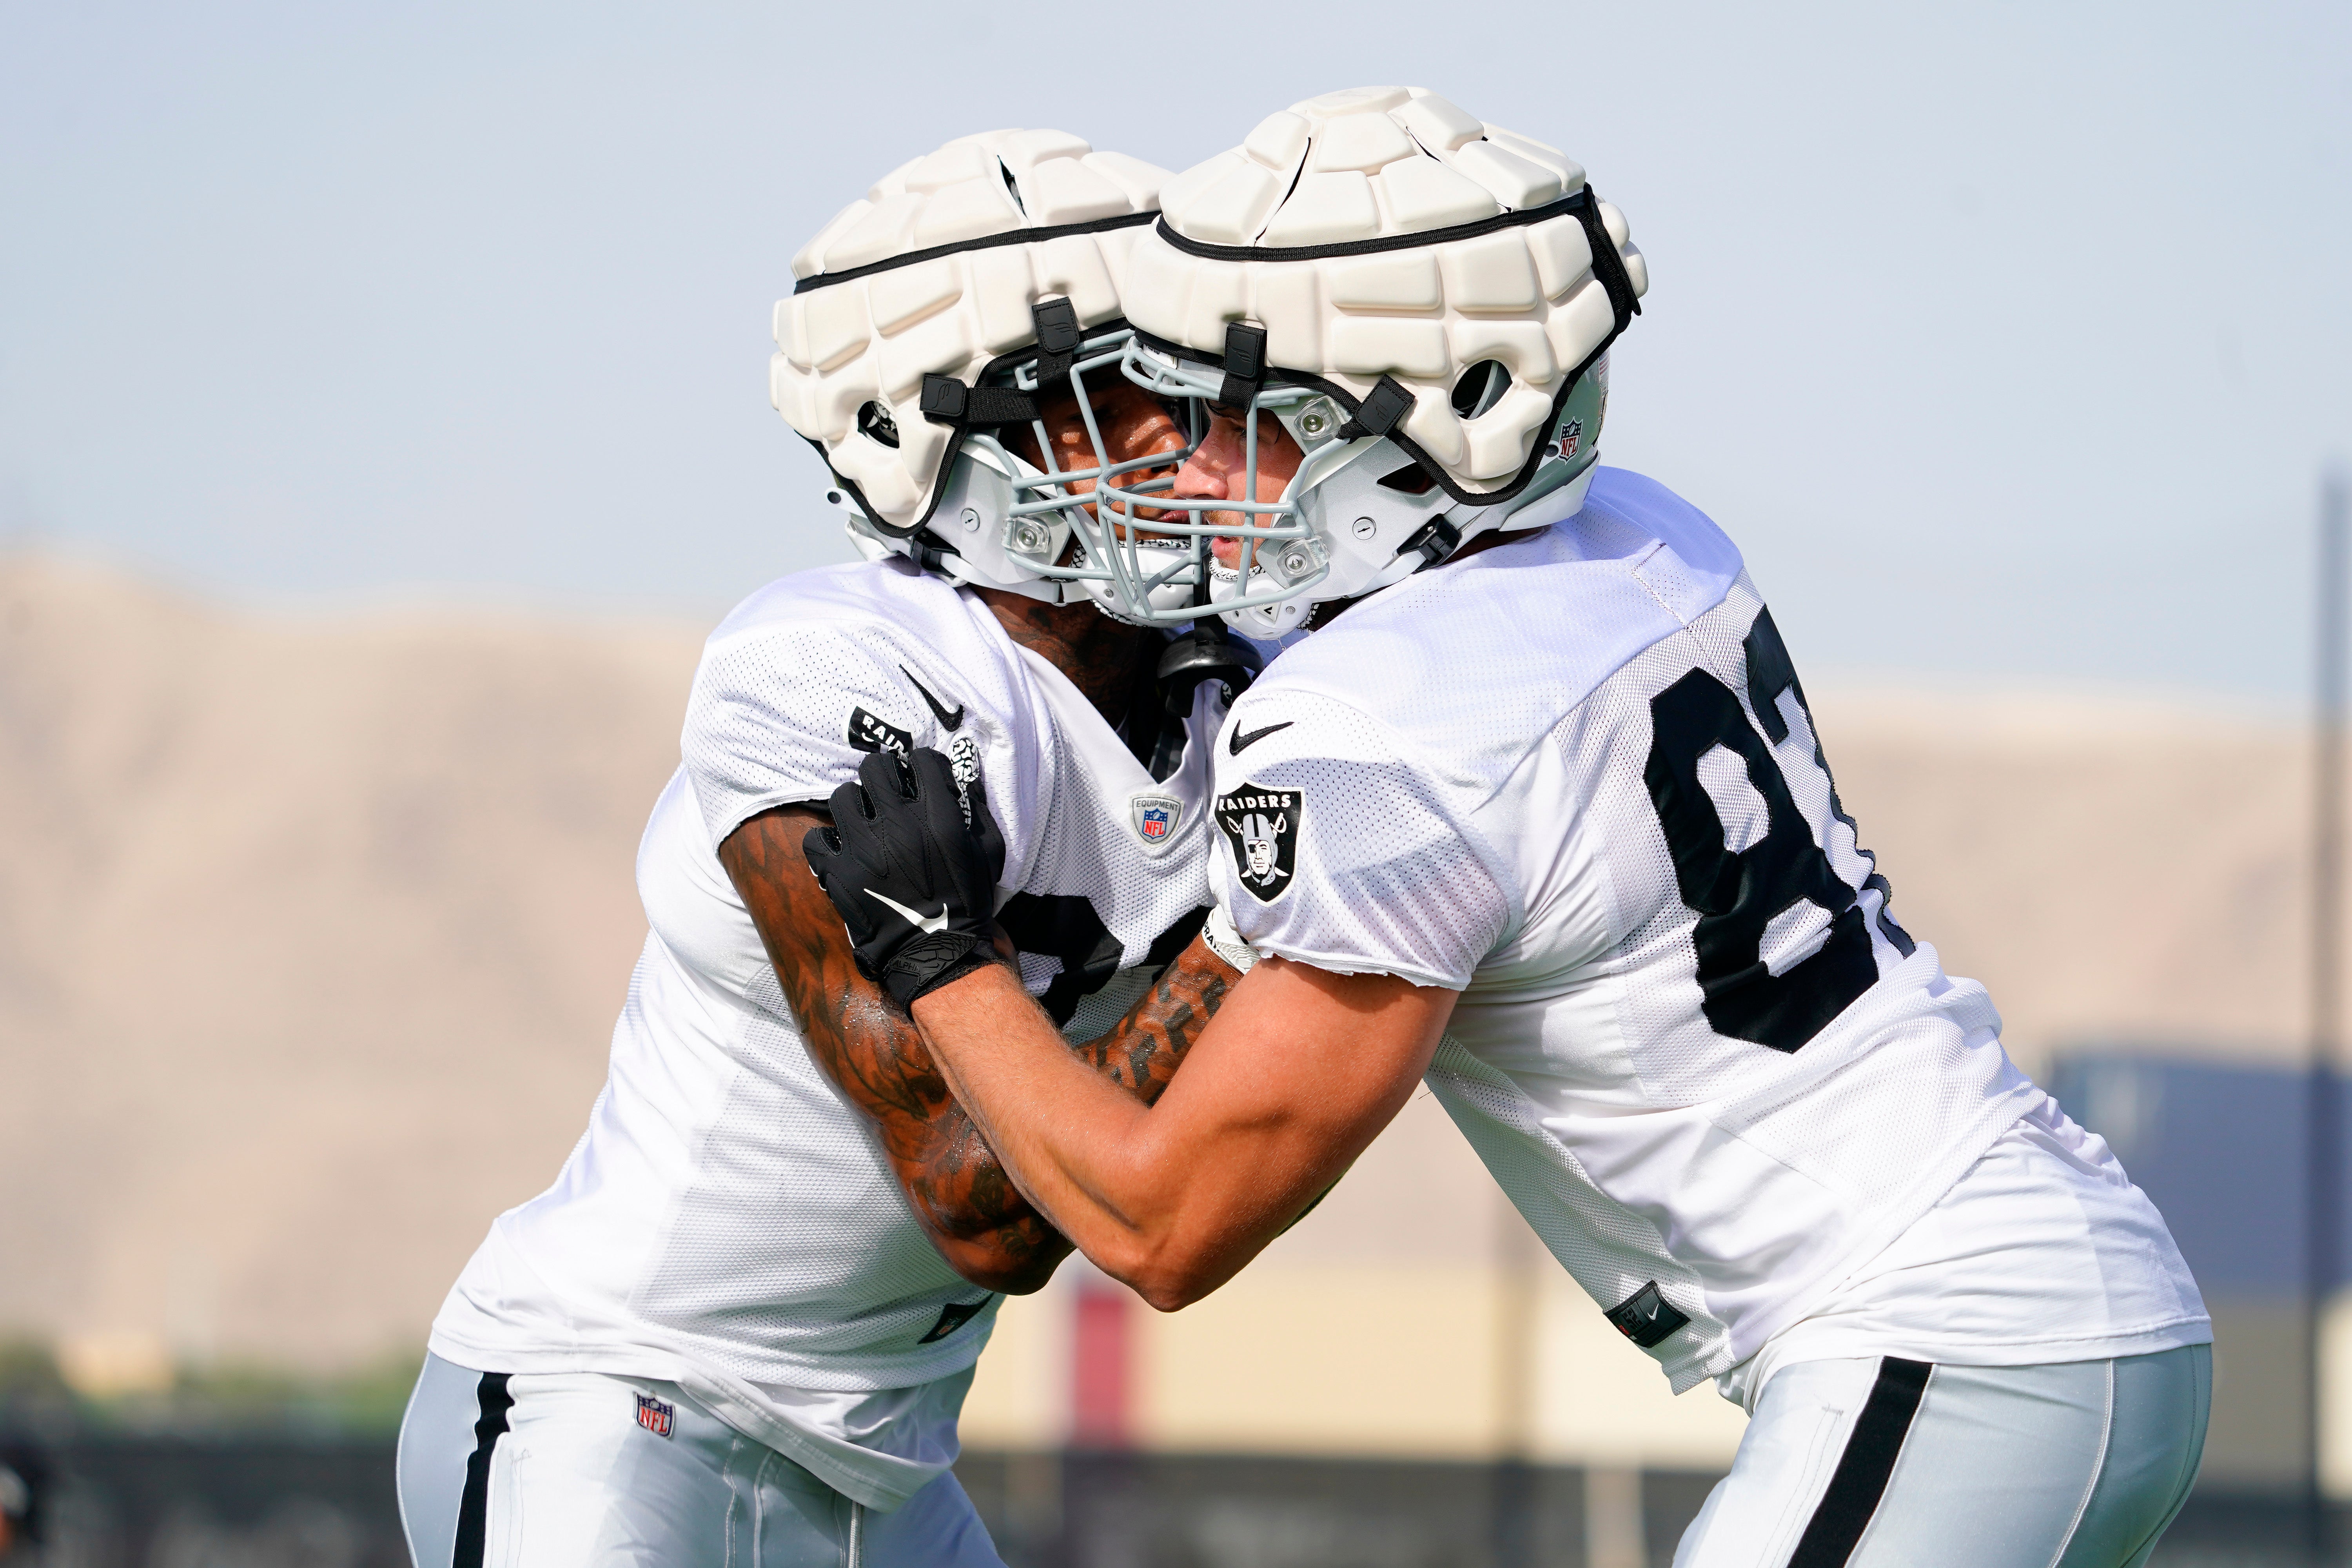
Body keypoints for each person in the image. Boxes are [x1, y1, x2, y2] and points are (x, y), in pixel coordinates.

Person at [807, 88, 2214, 1568]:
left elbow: (1164, 1226)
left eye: (1246, 413)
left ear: (1443, 417)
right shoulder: (1646, 531)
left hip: (1954, 1345)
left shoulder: (1374, 725)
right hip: (2059, 1296)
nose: (1190, 463)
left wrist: (940, 960)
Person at [397, 127, 1258, 1568]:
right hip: (619, 1406)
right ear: (932, 447)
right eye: (1111, 398)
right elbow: (984, 1206)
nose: (1186, 440)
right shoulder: (838, 679)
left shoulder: (1250, 690)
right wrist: (1250, 933)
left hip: (890, 1470)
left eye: (1188, 385)